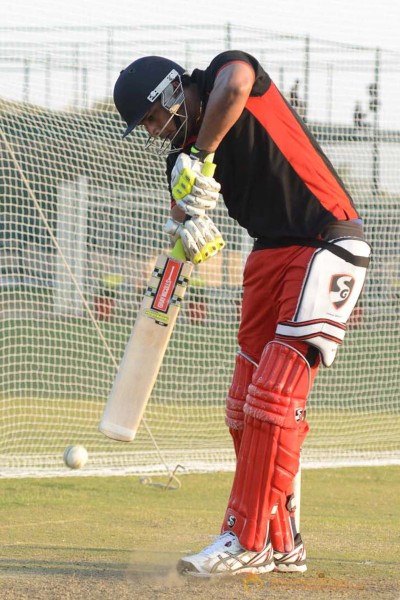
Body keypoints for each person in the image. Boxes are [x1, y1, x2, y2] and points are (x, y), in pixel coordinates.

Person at [113, 51, 371, 577]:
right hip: (268, 252)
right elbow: (183, 209)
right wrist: (182, 225)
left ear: (172, 90)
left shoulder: (222, 77)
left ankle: (244, 537)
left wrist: (201, 153)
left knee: (276, 396)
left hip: (326, 240)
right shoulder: (179, 159)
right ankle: (283, 541)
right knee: (243, 405)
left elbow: (238, 81)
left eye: (155, 117)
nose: (156, 132)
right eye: (147, 127)